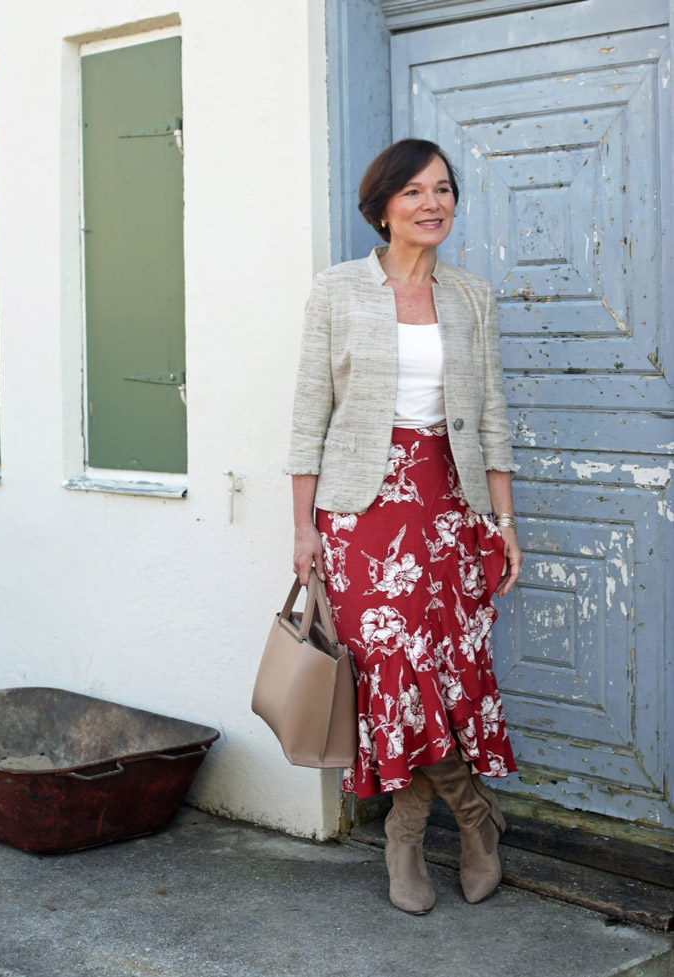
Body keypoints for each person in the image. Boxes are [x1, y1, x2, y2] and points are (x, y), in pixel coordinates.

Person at [284, 138, 522, 915]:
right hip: (361, 514)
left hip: (450, 510)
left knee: (444, 679)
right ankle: (464, 820)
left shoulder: (472, 296)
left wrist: (504, 522)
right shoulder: (338, 290)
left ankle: (411, 832)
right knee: (392, 673)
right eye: (415, 192)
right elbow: (308, 416)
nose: (433, 204)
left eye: (444, 190)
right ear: (383, 205)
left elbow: (491, 421)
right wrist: (303, 530)